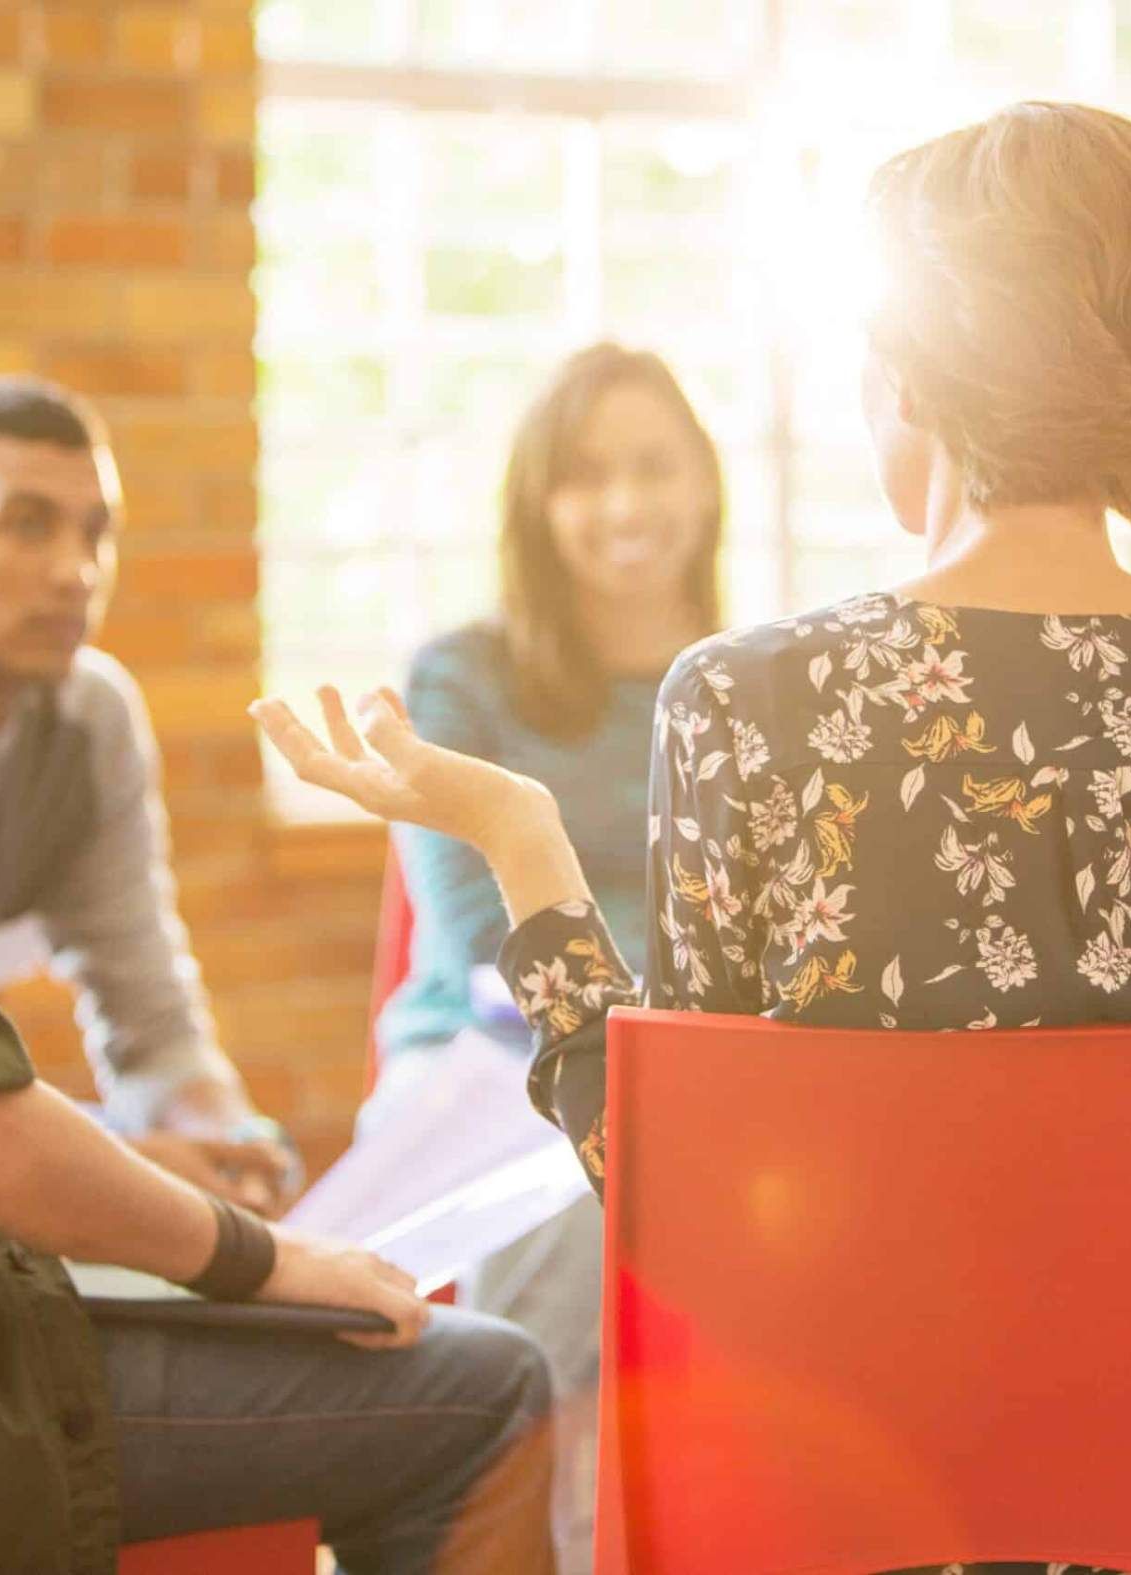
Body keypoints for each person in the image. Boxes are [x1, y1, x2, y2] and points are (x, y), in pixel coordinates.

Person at [255, 103, 1131, 1566]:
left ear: (912, 377)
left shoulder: (750, 706)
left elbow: (682, 1203)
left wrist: (516, 832)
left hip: (854, 1517)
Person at [0, 196, 554, 1575]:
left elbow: (99, 1027)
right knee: (487, 1384)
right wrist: (258, 1257)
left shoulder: (49, 710)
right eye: (30, 524)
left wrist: (199, 1165)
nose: (75, 573)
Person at [367, 343, 721, 1572]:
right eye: (585, 476)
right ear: (537, 503)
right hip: (484, 1068)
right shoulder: (463, 677)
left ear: (706, 485)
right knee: (588, 1194)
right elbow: (481, 943)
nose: (625, 505)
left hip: (702, 1065)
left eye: (652, 468)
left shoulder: (748, 675)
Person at [0, 377, 298, 1216]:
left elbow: (149, 1015)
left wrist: (223, 1132)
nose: (77, 573)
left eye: (96, 533)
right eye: (27, 525)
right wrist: (130, 1162)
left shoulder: (91, 719)